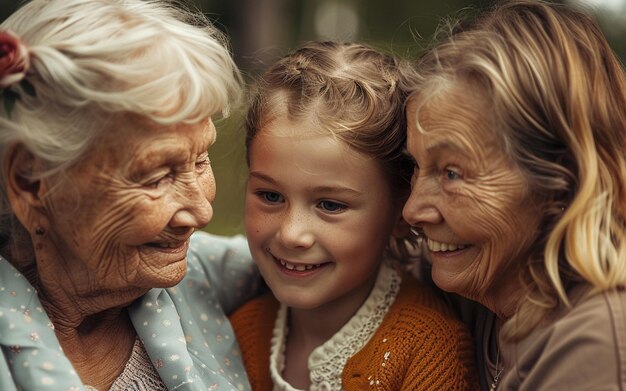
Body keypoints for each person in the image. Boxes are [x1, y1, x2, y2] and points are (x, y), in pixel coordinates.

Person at [0, 0, 260, 389]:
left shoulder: (200, 273)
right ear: (31, 181)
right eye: (156, 177)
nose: (201, 210)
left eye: (201, 160)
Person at [229, 41, 478, 391]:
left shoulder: (428, 350)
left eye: (330, 205)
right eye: (271, 196)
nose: (291, 234)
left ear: (400, 213)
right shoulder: (238, 332)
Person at [401, 0, 626, 389]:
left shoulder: (594, 344)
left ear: (560, 179)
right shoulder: (478, 282)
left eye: (452, 173)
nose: (413, 209)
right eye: (414, 167)